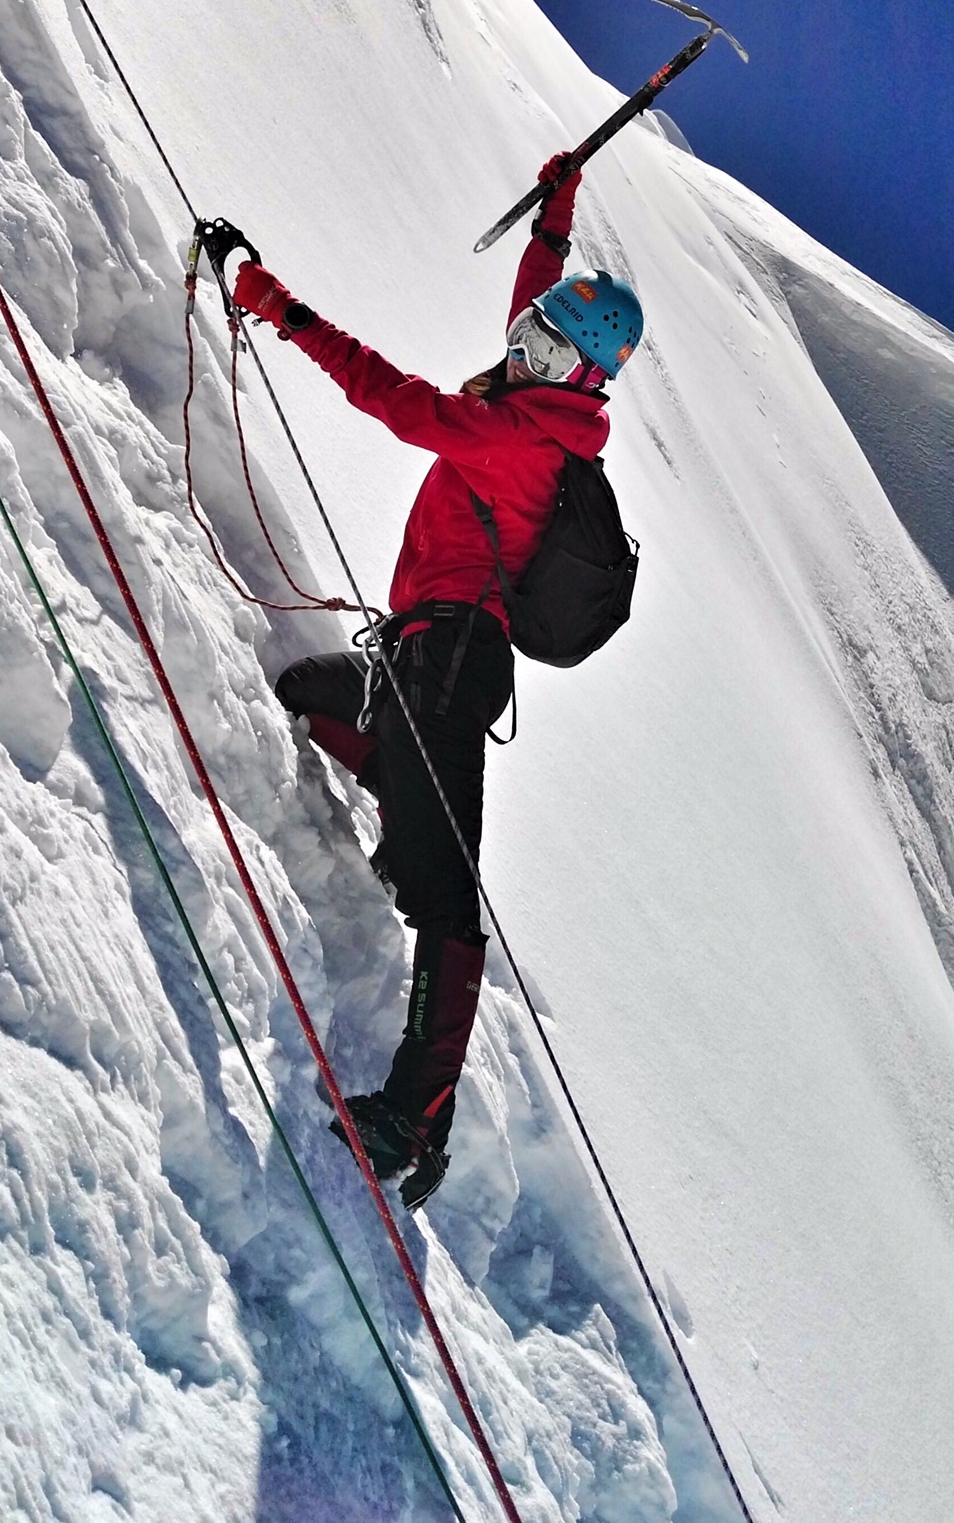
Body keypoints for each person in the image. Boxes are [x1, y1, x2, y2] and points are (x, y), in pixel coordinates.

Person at [229, 154, 644, 1207]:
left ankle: (413, 1114)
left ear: (577, 371)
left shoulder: (520, 437)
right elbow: (531, 308)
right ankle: (431, 1107)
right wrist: (557, 212)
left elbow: (394, 398)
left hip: (454, 664)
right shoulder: (536, 399)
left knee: (445, 893)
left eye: (544, 342)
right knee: (309, 698)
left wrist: (277, 305)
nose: (521, 345)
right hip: (417, 655)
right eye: (530, 332)